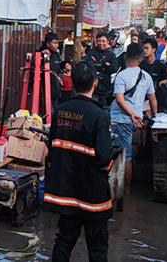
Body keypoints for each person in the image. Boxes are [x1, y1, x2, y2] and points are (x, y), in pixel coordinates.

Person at [45, 61, 113, 262]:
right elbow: (104, 157)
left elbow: (53, 147)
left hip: (66, 192)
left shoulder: (61, 112)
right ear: (95, 83)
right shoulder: (99, 115)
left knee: (64, 241)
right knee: (97, 247)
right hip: (92, 194)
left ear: (73, 83)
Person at [110, 43, 157, 195]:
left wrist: (130, 114)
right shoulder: (146, 76)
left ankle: (125, 189)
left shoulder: (122, 75)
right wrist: (154, 118)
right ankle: (125, 187)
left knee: (125, 156)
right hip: (137, 120)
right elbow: (153, 99)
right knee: (129, 151)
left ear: (126, 56)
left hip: (122, 120)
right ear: (141, 58)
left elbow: (119, 99)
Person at [83, 32, 118, 106]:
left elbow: (114, 68)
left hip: (105, 88)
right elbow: (86, 65)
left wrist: (102, 65)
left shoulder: (111, 55)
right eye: (99, 41)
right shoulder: (91, 53)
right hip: (92, 88)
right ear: (96, 41)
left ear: (107, 42)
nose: (101, 43)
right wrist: (103, 65)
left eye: (103, 41)